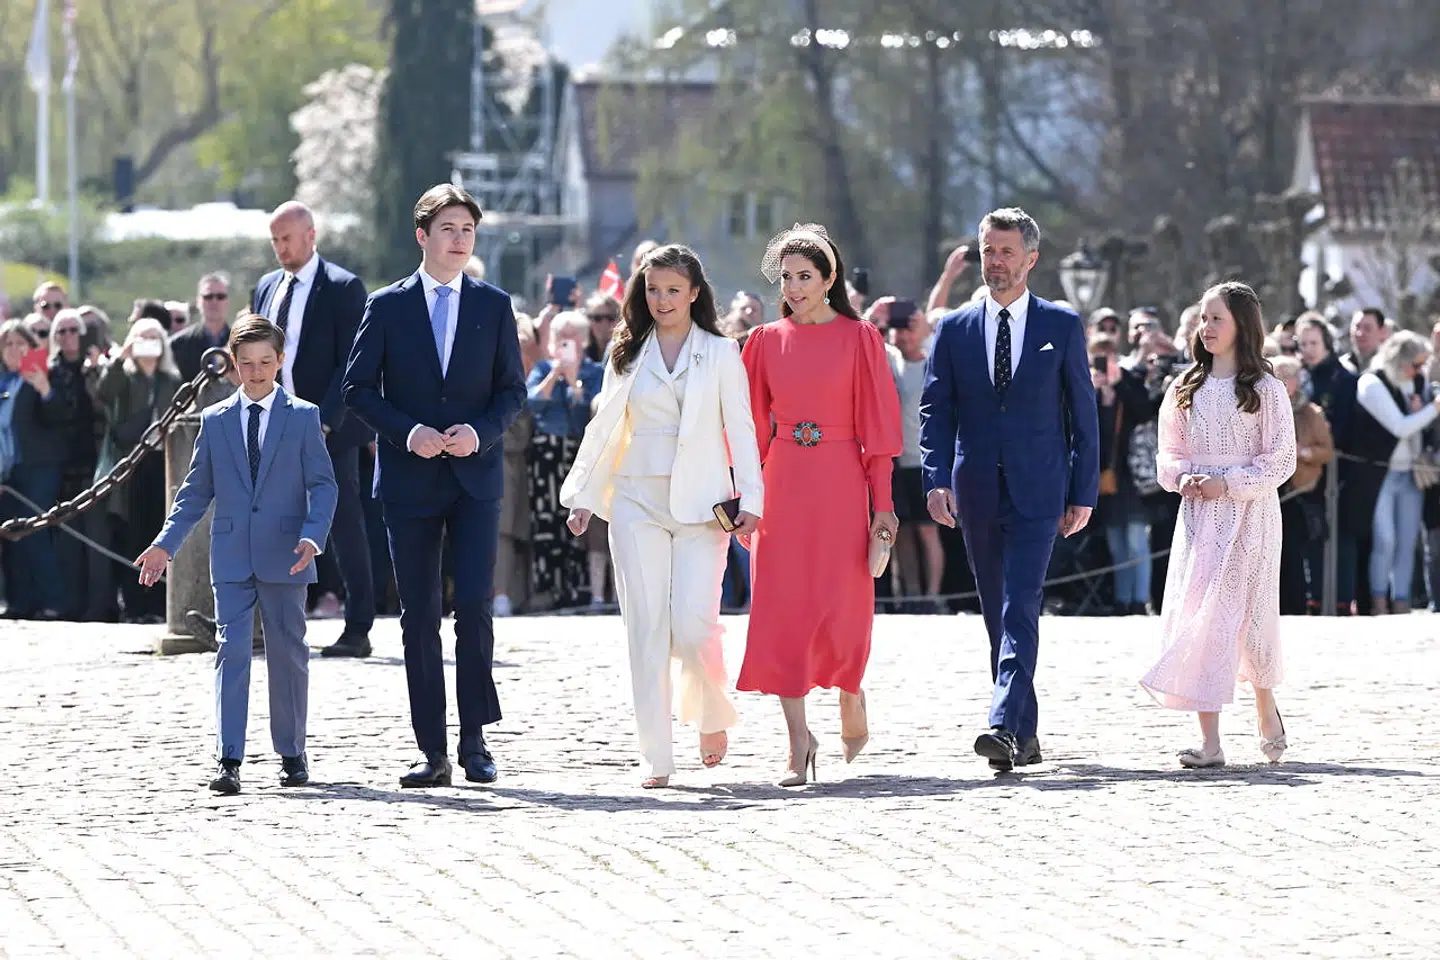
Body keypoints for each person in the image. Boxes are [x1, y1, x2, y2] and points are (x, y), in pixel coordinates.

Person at [343, 183, 526, 789]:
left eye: (468, 231)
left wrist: (482, 431)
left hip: (474, 478)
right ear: (422, 236)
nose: (459, 240)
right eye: (448, 229)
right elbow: (358, 391)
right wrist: (408, 431)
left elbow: (512, 392)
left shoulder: (494, 305)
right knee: (418, 615)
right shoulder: (387, 306)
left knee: (473, 605)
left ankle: (475, 739)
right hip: (408, 480)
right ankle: (433, 749)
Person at [561, 244, 763, 788]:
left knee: (694, 626)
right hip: (635, 501)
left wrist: (753, 501)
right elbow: (603, 429)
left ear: (695, 293)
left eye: (674, 290)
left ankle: (710, 712)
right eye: (653, 289)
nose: (662, 300)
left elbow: (741, 429)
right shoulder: (627, 352)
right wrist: (582, 496)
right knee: (646, 629)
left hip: (703, 506)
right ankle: (657, 756)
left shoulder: (721, 352)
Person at [919, 207, 1098, 772]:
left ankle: (1001, 724)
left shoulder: (1060, 325)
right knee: (998, 611)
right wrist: (936, 479)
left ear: (1030, 259)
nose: (995, 263)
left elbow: (1083, 415)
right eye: (987, 251)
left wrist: (1084, 489)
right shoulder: (953, 329)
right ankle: (1026, 731)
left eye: (1005, 252)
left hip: (1040, 488)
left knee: (1022, 602)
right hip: (975, 490)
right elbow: (935, 411)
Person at [138, 315, 338, 794]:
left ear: (280, 360)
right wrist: (165, 544)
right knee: (231, 653)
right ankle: (228, 758)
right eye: (246, 363)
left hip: (288, 553)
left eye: (266, 362)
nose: (256, 371)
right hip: (230, 554)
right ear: (233, 363)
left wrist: (314, 536)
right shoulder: (216, 420)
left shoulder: (304, 416)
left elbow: (323, 484)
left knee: (289, 654)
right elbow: (193, 492)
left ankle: (292, 752)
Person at [737, 223, 902, 787]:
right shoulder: (762, 341)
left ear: (830, 279)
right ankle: (796, 743)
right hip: (781, 484)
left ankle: (851, 691)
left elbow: (879, 435)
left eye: (805, 276)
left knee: (844, 608)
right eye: (786, 277)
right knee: (781, 609)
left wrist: (883, 511)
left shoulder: (860, 341)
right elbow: (750, 431)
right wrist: (745, 501)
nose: (794, 287)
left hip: (840, 483)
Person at [1143, 282, 1296, 768]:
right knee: (1202, 617)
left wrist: (1227, 483)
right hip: (1199, 519)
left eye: (1217, 320)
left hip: (1251, 516)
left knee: (1249, 618)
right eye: (1203, 319)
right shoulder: (1185, 387)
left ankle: (1265, 702)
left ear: (1241, 327)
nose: (1205, 328)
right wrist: (1182, 476)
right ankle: (1209, 742)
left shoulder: (1267, 390)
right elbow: (1167, 452)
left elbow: (1282, 460)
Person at [253, 201, 374, 657]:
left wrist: (324, 419)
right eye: (275, 241)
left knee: (342, 525)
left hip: (327, 429)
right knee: (269, 522)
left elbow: (353, 361)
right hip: (272, 423)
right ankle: (270, 620)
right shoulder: (267, 286)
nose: (281, 249)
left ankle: (358, 626)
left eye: (288, 238)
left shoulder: (343, 287)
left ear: (310, 234)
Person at [95, 318, 184, 623]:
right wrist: (122, 357)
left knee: (159, 532)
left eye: (153, 337)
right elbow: (103, 393)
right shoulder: (124, 376)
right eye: (141, 337)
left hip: (162, 463)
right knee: (131, 534)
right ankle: (135, 605)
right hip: (130, 464)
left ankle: (160, 604)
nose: (148, 343)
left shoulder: (170, 380)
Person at [1350, 331, 1437, 615]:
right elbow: (1399, 426)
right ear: (1400, 361)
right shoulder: (1372, 382)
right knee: (1385, 540)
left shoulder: (1413, 382)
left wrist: (1422, 409)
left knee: (1408, 540)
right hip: (1379, 475)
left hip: (1409, 473)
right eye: (1415, 364)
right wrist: (1433, 409)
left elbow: (1415, 428)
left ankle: (1401, 602)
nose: (1419, 371)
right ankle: (1379, 602)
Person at [525, 310, 605, 609]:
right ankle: (549, 590)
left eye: (572, 338)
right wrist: (553, 376)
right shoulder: (543, 367)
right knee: (546, 519)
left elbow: (594, 411)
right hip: (547, 451)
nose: (566, 343)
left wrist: (573, 384)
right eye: (561, 338)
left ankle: (581, 590)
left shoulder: (594, 371)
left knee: (580, 519)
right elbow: (532, 405)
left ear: (583, 341)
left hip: (580, 451)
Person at [1271, 355, 1333, 615]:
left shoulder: (1311, 413)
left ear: (1297, 380)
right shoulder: (1263, 409)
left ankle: (1297, 608)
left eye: (1288, 376)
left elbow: (1326, 451)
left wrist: (1302, 452)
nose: (1283, 382)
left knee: (1295, 554)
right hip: (1270, 493)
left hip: (1299, 495)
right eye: (1278, 376)